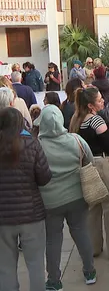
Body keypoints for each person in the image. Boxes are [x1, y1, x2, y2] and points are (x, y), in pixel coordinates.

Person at [36, 105, 97, 290]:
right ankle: (89, 272)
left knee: (53, 240)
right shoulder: (76, 140)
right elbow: (90, 161)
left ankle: (54, 280)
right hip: (77, 197)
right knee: (81, 232)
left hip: (50, 202)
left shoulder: (37, 145)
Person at [69, 87, 109, 260]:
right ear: (91, 105)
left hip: (86, 165)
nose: (103, 101)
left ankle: (93, 247)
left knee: (92, 210)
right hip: (103, 164)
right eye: (100, 99)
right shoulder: (96, 121)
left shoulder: (76, 120)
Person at [0, 107, 52, 291]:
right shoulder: (32, 144)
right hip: (32, 213)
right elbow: (44, 177)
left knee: (5, 268)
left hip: (3, 217)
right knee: (36, 264)